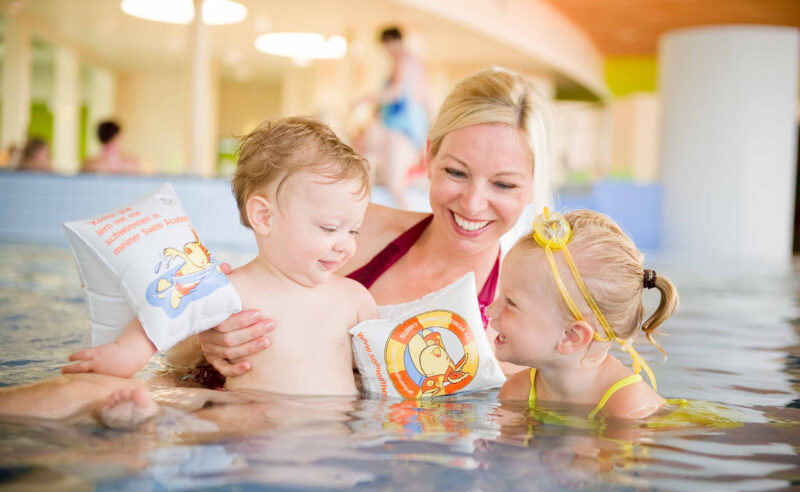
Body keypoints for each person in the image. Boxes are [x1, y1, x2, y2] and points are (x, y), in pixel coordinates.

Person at [0, 116, 377, 426]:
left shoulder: (355, 298)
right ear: (263, 216)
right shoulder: (232, 288)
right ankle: (136, 421)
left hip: (336, 424)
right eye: (329, 228)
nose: (344, 243)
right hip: (247, 422)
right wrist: (123, 353)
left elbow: (382, 373)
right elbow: (166, 306)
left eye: (353, 230)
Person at [194, 67, 553, 378]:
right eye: (456, 172)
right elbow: (196, 340)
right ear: (428, 157)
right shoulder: (347, 232)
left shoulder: (526, 313)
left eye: (504, 184)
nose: (473, 203)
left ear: (532, 187)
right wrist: (209, 339)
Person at [490, 208, 678, 419]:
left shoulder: (629, 408)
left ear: (571, 336)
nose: (490, 310)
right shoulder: (516, 392)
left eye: (511, 302)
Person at [368, 26, 430, 209]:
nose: (387, 51)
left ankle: (410, 224)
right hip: (403, 128)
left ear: (392, 42)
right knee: (384, 177)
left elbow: (396, 92)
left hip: (402, 128)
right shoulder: (415, 62)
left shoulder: (403, 60)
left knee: (394, 184)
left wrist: (368, 99)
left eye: (387, 45)